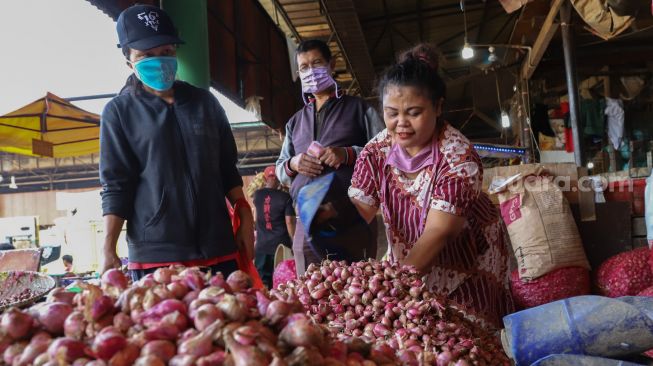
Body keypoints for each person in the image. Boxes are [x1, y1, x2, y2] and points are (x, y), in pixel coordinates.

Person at [348, 44, 513, 328]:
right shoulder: (376, 151)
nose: (401, 123)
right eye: (391, 113)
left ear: (438, 107)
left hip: (468, 258)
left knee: (464, 337)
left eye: (413, 112)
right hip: (407, 255)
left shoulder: (458, 157)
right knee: (412, 335)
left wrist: (393, 286)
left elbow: (439, 231)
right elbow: (360, 209)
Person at [99, 5, 254, 280]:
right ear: (128, 61)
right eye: (146, 55)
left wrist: (244, 214)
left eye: (166, 52)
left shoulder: (205, 103)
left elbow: (226, 167)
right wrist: (108, 246)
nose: (159, 61)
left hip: (219, 248)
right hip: (157, 260)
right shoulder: (119, 112)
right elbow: (116, 184)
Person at [275, 39, 384, 275]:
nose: (310, 71)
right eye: (304, 67)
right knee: (311, 292)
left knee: (358, 290)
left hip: (352, 216)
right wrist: (293, 163)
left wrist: (348, 153)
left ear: (331, 64)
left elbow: (385, 152)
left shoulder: (359, 108)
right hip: (307, 220)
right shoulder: (294, 122)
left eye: (316, 63)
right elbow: (280, 170)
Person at [252, 166, 296, 288]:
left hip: (262, 246)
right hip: (281, 248)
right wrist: (294, 241)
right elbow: (290, 222)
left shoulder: (257, 195)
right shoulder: (285, 197)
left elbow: (255, 218)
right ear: (279, 178)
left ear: (265, 179)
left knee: (262, 284)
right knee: (282, 283)